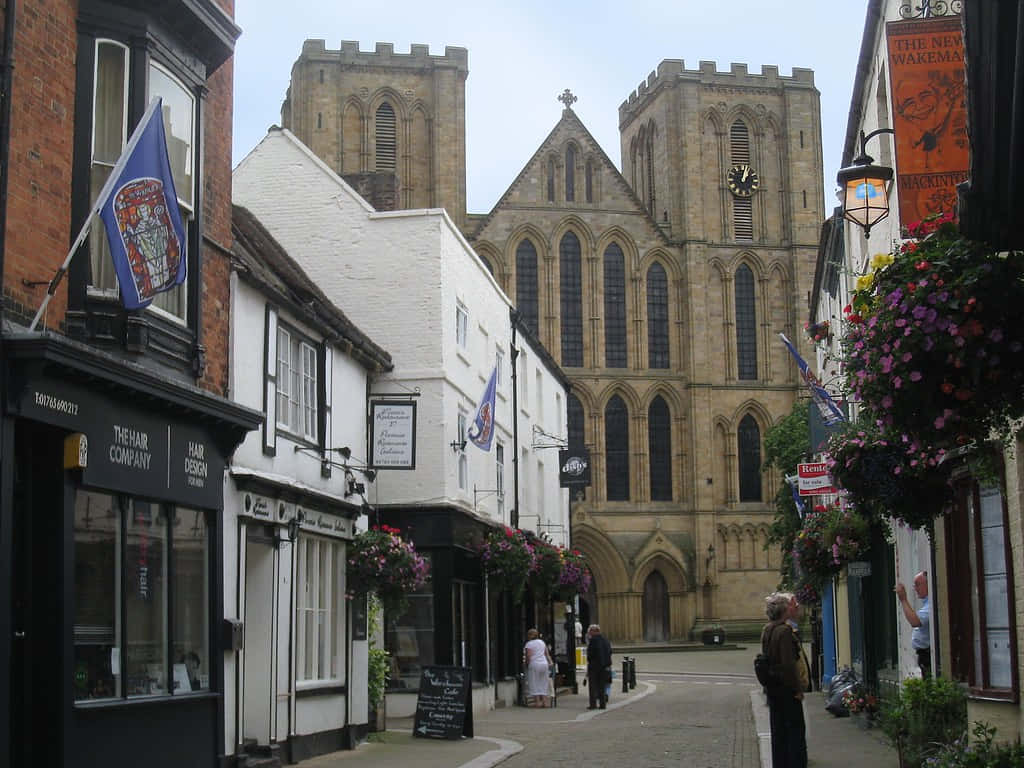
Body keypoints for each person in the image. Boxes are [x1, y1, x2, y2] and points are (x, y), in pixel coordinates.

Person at [762, 592, 808, 768]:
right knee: (795, 734)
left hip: (773, 689)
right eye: (789, 606)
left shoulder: (767, 629)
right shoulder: (784, 632)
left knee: (778, 734)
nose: (792, 608)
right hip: (787, 691)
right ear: (783, 611)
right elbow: (789, 665)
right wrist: (797, 689)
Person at [895, 571, 931, 678]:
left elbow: (915, 621)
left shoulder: (931, 604)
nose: (915, 588)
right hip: (923, 654)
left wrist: (903, 599)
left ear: (928, 584)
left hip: (928, 654)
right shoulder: (926, 603)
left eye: (918, 584)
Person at [522, 628, 553, 707]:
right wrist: (550, 662)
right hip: (544, 664)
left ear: (530, 635)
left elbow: (528, 656)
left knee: (534, 682)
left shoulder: (529, 644)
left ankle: (538, 702)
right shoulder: (542, 642)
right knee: (543, 682)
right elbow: (547, 654)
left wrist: (527, 664)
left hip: (534, 664)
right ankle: (545, 702)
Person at [585, 623, 612, 710]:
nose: (589, 633)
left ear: (594, 631)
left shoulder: (593, 641)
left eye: (590, 631)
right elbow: (610, 652)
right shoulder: (606, 640)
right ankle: (602, 704)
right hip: (605, 666)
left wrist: (590, 661)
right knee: (602, 686)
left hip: (594, 666)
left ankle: (593, 704)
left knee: (593, 686)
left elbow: (591, 654)